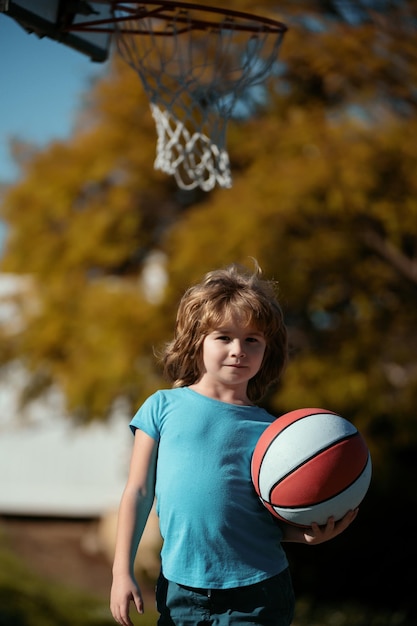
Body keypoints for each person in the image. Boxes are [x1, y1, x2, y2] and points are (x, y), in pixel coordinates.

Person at [110, 262, 358, 626]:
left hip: (258, 591)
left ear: (267, 350)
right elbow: (138, 491)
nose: (238, 349)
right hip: (182, 589)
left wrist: (304, 535)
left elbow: (264, 516)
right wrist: (121, 571)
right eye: (223, 337)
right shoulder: (162, 407)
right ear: (197, 341)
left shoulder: (275, 435)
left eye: (252, 340)